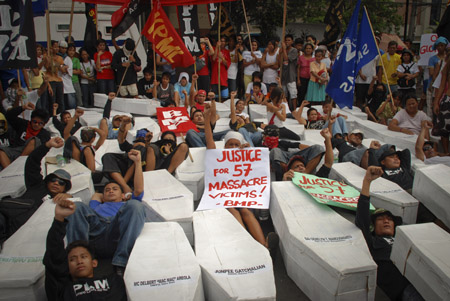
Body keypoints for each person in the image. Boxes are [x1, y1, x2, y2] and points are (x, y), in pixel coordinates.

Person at [203, 105, 279, 255]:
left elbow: (258, 169)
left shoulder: (245, 157)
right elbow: (209, 139)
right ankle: (250, 245)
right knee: (233, 210)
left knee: (245, 211)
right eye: (230, 144)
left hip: (242, 194)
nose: (233, 147)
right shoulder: (217, 156)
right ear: (224, 147)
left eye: (236, 145)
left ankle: (264, 247)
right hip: (223, 194)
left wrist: (248, 153)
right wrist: (206, 120)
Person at [65, 149, 146, 276]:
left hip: (117, 230)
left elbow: (138, 189)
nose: (110, 191)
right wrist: (101, 197)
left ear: (123, 195)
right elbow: (95, 197)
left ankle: (121, 262)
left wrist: (137, 162)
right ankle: (78, 258)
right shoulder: (97, 204)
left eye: (115, 189)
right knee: (76, 206)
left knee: (136, 205)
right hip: (97, 231)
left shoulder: (126, 205)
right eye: (107, 190)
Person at [356, 166, 424, 301]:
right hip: (405, 288)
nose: (386, 221)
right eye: (380, 219)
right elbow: (362, 216)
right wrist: (367, 181)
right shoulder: (373, 242)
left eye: (389, 219)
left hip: (425, 280)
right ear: (373, 228)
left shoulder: (405, 238)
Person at [44, 210, 126, 300]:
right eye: (72, 259)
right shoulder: (62, 288)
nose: (79, 261)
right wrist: (59, 218)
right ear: (67, 266)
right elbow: (53, 255)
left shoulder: (113, 281)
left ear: (94, 263)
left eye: (83, 257)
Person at [0, 137, 72, 239]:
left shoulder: (63, 202)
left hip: (26, 235)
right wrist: (47, 145)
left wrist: (68, 196)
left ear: (65, 188)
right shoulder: (37, 185)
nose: (56, 183)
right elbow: (32, 161)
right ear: (47, 181)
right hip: (6, 219)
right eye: (53, 180)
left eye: (61, 182)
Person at [1, 103, 50, 168]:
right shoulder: (23, 124)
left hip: (30, 155)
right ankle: (9, 170)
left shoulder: (45, 134)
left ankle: (18, 165)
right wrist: (22, 108)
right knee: (1, 151)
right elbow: (9, 116)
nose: (37, 125)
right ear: (31, 120)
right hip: (16, 150)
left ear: (44, 124)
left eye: (40, 123)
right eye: (35, 122)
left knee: (34, 140)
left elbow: (43, 149)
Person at [44, 40, 66, 113]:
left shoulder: (60, 58)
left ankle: (62, 115)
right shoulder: (46, 57)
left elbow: (63, 69)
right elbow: (48, 67)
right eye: (55, 47)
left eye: (57, 47)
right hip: (50, 80)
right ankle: (52, 115)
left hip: (59, 80)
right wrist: (55, 64)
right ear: (50, 47)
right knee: (52, 100)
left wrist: (58, 65)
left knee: (61, 100)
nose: (57, 49)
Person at [280, 34, 298, 109]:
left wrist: (284, 49)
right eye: (286, 40)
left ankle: (294, 109)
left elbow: (287, 59)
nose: (287, 42)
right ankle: (286, 109)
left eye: (289, 40)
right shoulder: (281, 50)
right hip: (283, 76)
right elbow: (279, 61)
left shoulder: (294, 50)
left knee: (293, 94)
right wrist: (281, 51)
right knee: (284, 94)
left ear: (292, 41)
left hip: (291, 75)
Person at [58, 41, 76, 110]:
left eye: (65, 48)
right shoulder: (56, 58)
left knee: (71, 105)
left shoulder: (68, 59)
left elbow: (68, 70)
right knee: (62, 105)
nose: (64, 50)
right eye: (62, 48)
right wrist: (63, 67)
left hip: (68, 83)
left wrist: (62, 67)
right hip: (59, 82)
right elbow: (61, 69)